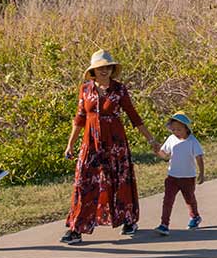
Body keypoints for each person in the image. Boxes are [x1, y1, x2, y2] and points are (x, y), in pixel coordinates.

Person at [61, 49, 159, 244]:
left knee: (120, 181)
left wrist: (151, 140)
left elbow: (133, 116)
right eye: (100, 68)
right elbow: (79, 118)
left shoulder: (119, 89)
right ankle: (77, 228)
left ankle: (128, 220)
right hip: (91, 144)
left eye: (107, 67)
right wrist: (70, 144)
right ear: (93, 71)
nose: (104, 71)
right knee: (84, 183)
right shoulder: (86, 89)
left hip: (116, 145)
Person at [156, 112, 206, 235]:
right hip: (172, 176)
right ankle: (164, 224)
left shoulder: (193, 141)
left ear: (186, 128)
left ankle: (195, 217)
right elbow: (164, 155)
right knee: (167, 200)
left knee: (189, 199)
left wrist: (201, 173)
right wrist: (157, 149)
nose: (175, 132)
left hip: (188, 177)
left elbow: (199, 158)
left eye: (178, 129)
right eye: (173, 129)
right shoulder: (171, 139)